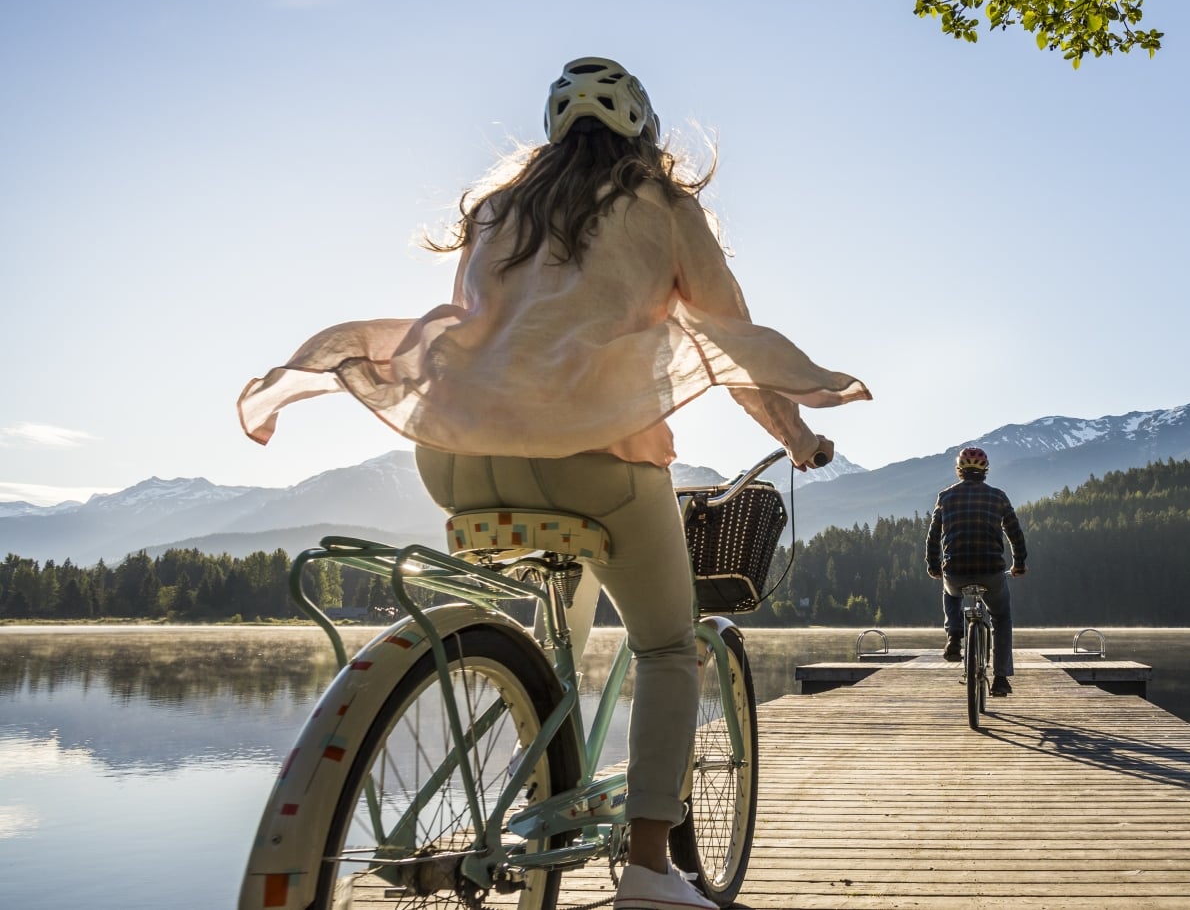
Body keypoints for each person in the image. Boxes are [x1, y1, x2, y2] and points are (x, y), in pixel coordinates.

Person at [237, 56, 869, 910]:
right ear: (643, 133)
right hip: (590, 456)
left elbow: (502, 342)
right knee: (666, 648)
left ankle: (544, 763)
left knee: (555, 605)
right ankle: (648, 866)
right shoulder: (666, 207)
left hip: (453, 455)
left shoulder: (499, 208)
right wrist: (796, 437)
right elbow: (733, 345)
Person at [925, 446, 1027, 696]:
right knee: (1001, 618)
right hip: (992, 571)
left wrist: (933, 566)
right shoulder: (998, 496)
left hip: (955, 571)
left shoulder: (945, 497)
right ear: (985, 471)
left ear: (959, 470)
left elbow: (933, 536)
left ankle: (954, 636)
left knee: (951, 594)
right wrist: (1019, 564)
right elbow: (1015, 534)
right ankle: (1001, 678)